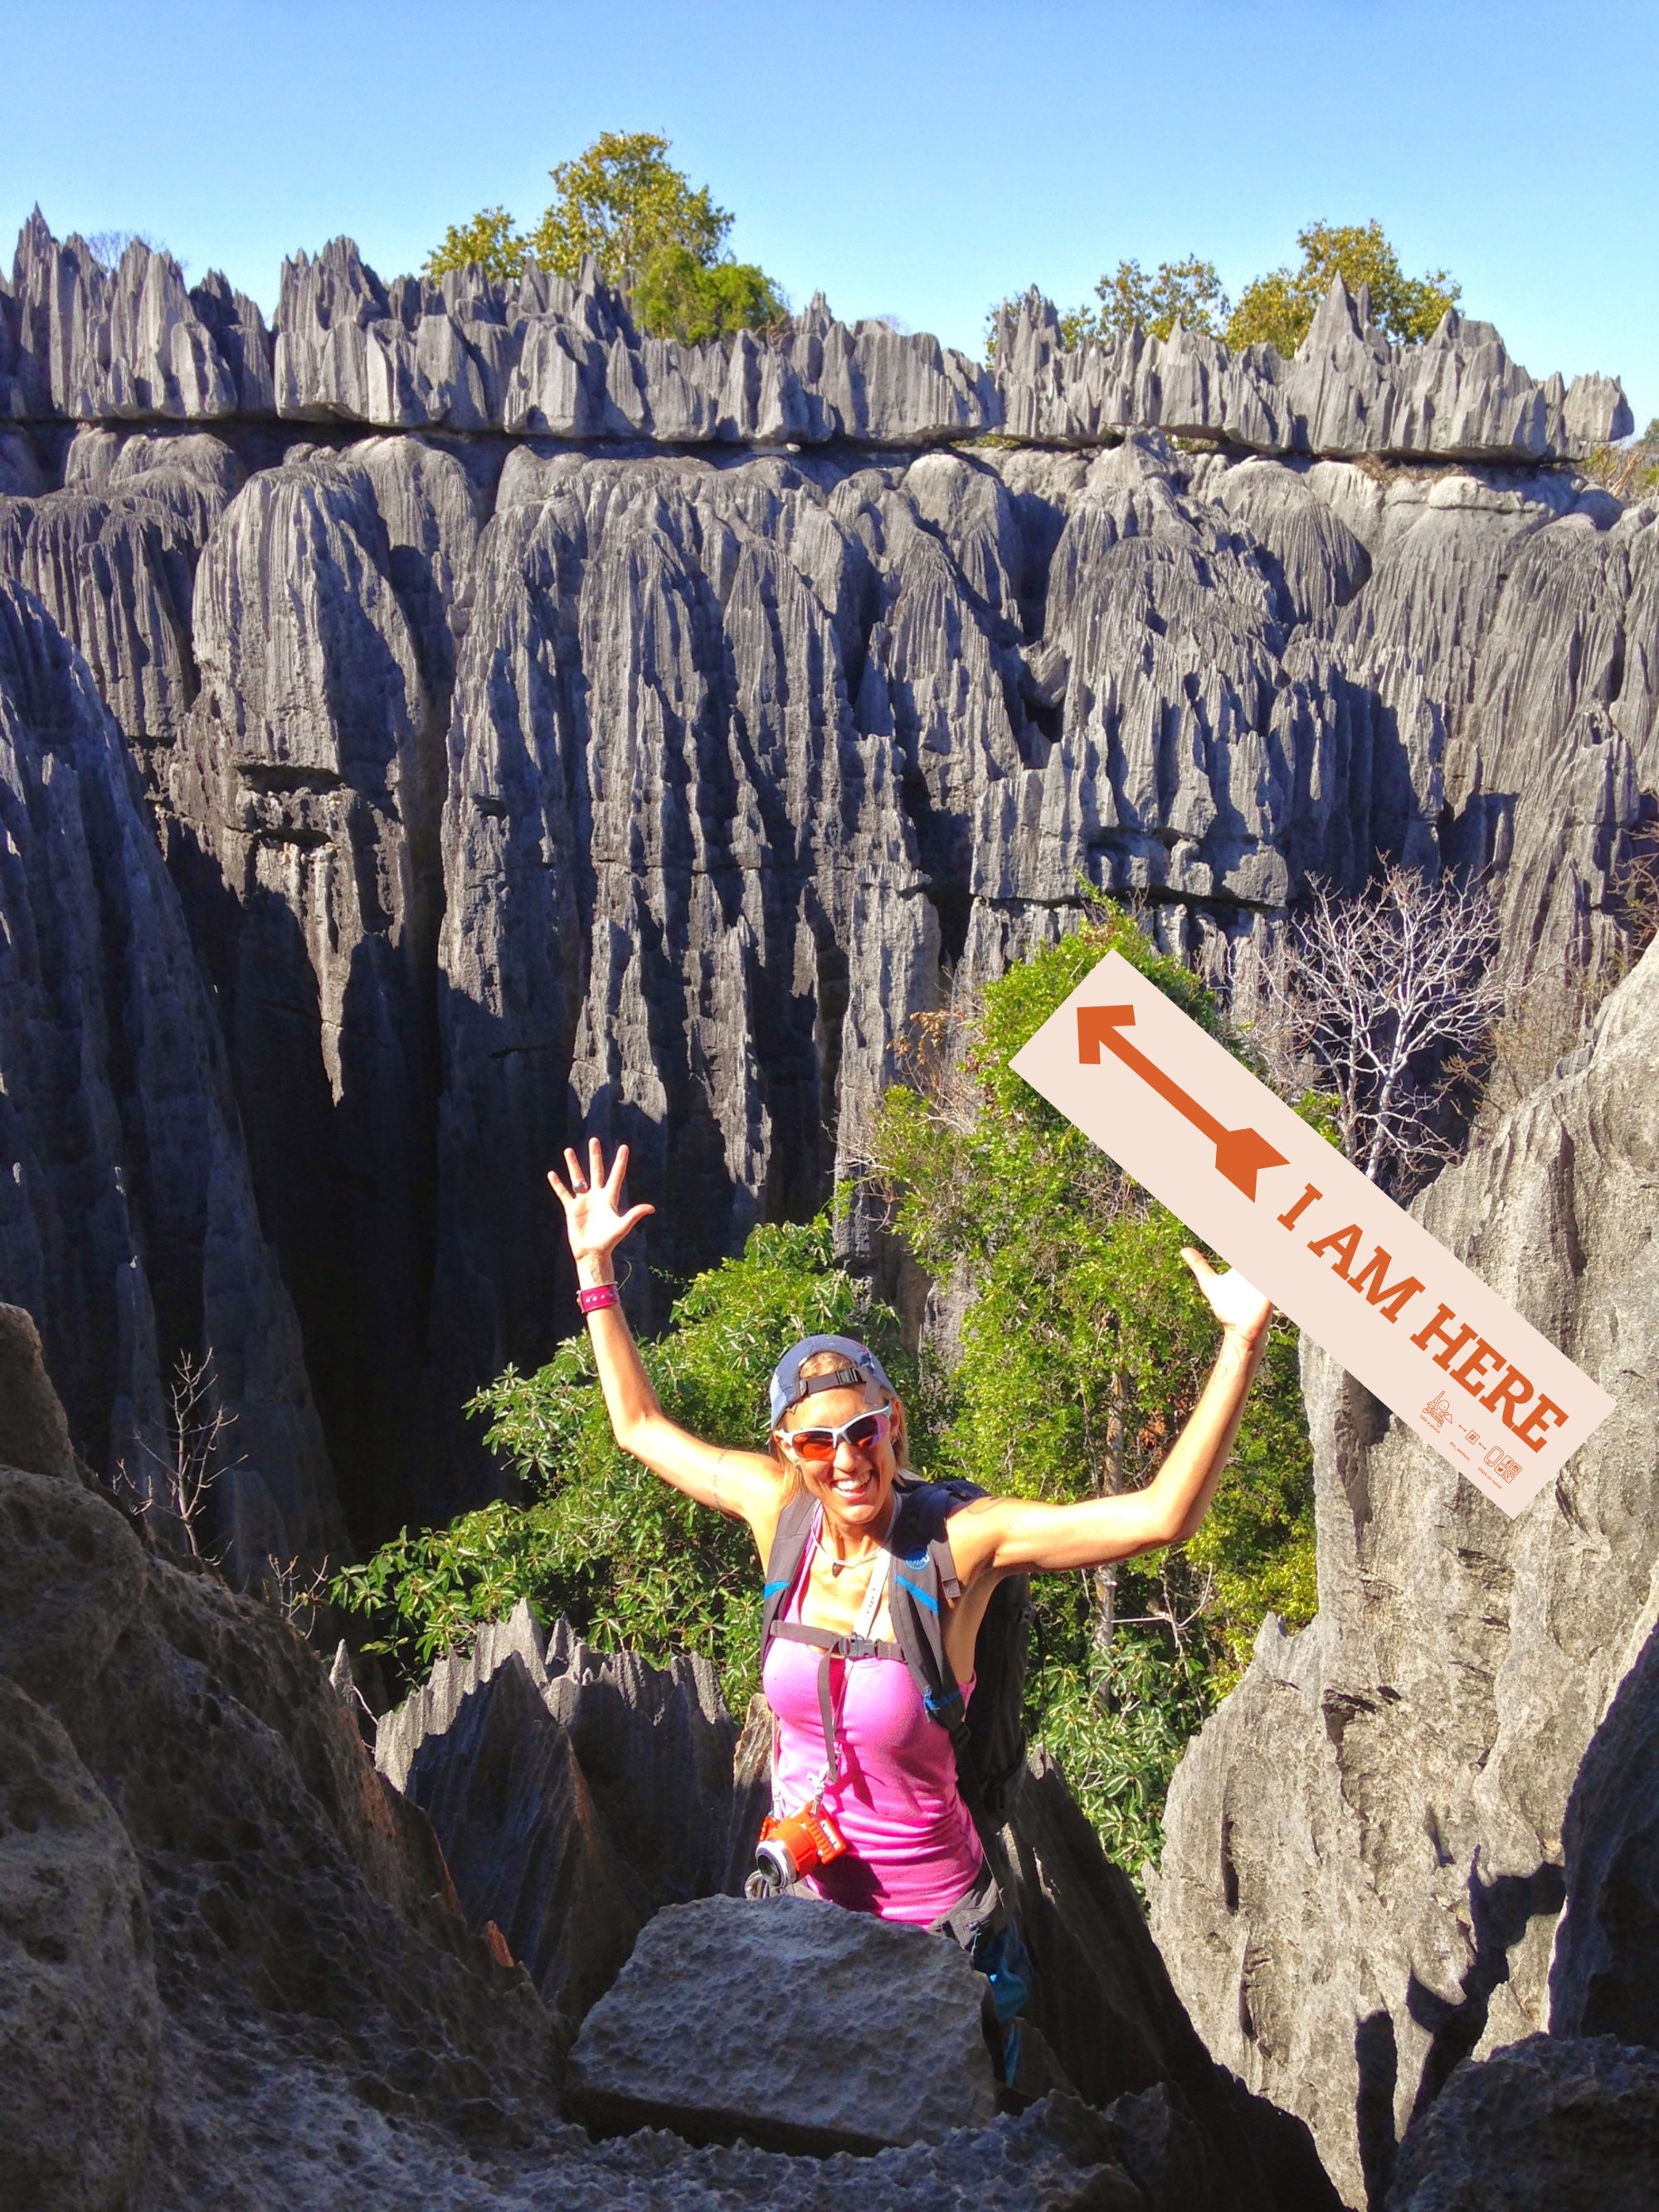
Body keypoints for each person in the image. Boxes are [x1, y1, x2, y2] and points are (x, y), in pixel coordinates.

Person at [547, 1136, 1273, 2051]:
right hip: (802, 1916)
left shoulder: (954, 1546)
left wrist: (1239, 1341)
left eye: (862, 1431)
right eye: (817, 1441)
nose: (846, 1458)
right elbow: (639, 1426)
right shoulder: (778, 1516)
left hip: (937, 1945)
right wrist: (594, 1269)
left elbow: (1160, 1516)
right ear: (786, 1450)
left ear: (892, 1425)